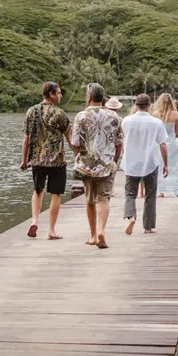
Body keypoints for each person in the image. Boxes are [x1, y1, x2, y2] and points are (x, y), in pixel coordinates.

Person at [69, 82, 122, 249]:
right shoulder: (114, 117)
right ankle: (102, 231)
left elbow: (75, 142)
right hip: (107, 164)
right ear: (103, 99)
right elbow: (119, 143)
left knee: (90, 201)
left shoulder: (81, 116)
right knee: (104, 198)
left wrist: (79, 155)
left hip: (87, 165)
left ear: (89, 97)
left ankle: (92, 236)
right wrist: (115, 159)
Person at [20, 81, 71, 239]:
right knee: (55, 194)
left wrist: (24, 160)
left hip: (36, 159)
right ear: (51, 94)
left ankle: (34, 220)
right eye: (59, 92)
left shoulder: (31, 111)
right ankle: (51, 230)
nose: (61, 95)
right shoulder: (59, 113)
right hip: (57, 160)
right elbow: (70, 137)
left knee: (37, 191)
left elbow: (26, 138)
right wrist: (78, 154)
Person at [120, 92, 171, 235]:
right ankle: (148, 227)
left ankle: (131, 217)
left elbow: (121, 141)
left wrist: (124, 155)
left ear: (136, 105)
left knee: (130, 193)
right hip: (150, 162)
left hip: (131, 162)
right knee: (150, 195)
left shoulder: (126, 121)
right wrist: (166, 164)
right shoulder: (156, 122)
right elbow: (163, 145)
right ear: (149, 105)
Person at [156, 94, 178, 197]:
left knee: (160, 165)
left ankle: (161, 190)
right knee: (173, 166)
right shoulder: (175, 114)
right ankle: (175, 190)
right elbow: (176, 132)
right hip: (171, 143)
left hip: (159, 143)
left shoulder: (155, 114)